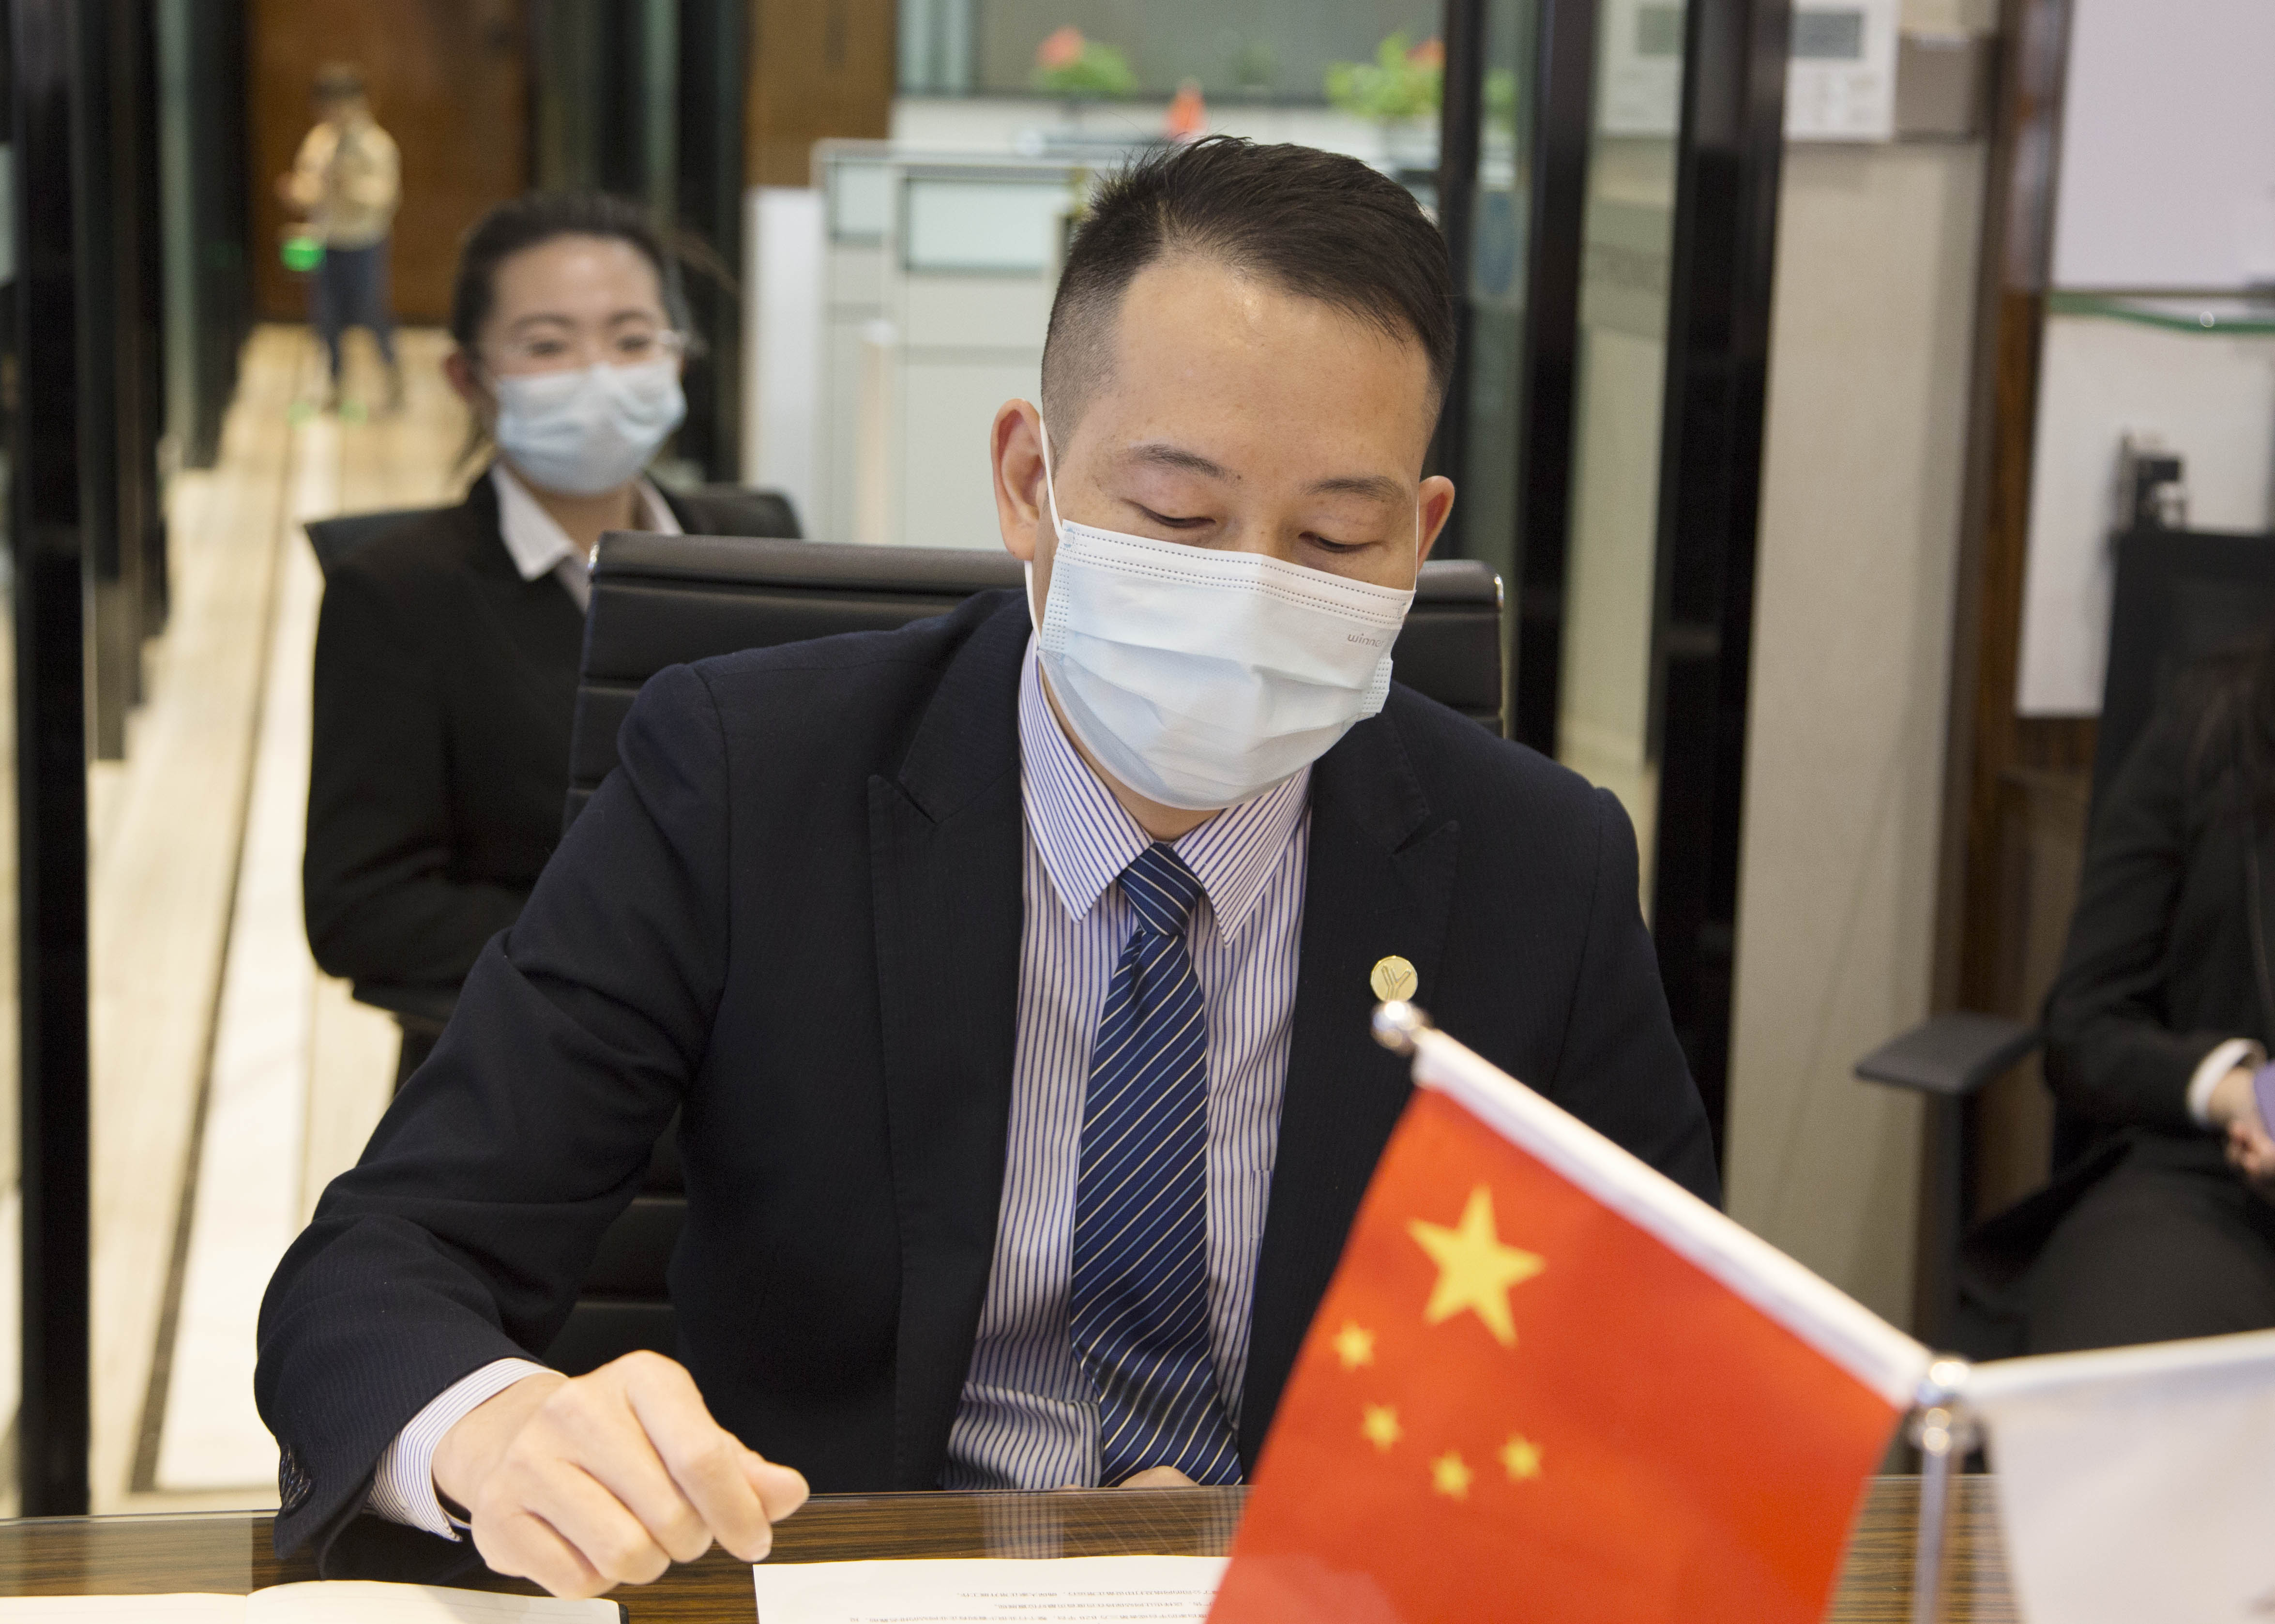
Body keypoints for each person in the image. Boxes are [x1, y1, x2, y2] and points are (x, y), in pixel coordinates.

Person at [260, 138, 1716, 1597]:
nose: (1251, 590)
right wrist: (498, 1428)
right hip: (845, 1581)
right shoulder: (749, 780)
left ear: (1420, 534)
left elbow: (1673, 1375)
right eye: (1178, 517)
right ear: (1030, 481)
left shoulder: (1540, 862)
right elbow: (382, 1263)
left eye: (1336, 535)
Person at [303, 192, 798, 1079]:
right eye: (546, 346)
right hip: (525, 1081)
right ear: (469, 378)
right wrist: (648, 945)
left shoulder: (759, 547)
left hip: (763, 1082)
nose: (598, 374)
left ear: (677, 360)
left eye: (633, 339)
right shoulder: (397, 594)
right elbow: (363, 910)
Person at [2033, 639, 2275, 1351]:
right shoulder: (2212, 728)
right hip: (2209, 1185)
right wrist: (2244, 1096)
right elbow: (2085, 1025)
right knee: (2130, 1366)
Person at [279, 64, 403, 411]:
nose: (334, 113)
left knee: (372, 313)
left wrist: (352, 187)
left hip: (364, 241)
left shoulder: (376, 146)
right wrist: (297, 193)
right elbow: (309, 187)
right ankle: (336, 384)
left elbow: (387, 197)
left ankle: (392, 378)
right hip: (326, 239)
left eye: (341, 104)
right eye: (327, 106)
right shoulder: (320, 141)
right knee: (326, 317)